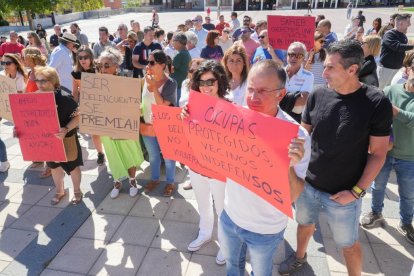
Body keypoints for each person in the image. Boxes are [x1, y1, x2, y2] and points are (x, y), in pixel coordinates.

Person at [279, 40, 393, 276]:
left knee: (348, 245)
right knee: (304, 224)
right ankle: (300, 257)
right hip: (308, 185)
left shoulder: (376, 102)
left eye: (330, 67)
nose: (324, 72)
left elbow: (379, 153)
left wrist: (357, 192)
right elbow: (304, 135)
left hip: (345, 194)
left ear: (352, 70)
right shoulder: (318, 95)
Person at [219, 59, 311, 276]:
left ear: (281, 94)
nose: (253, 97)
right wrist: (189, 115)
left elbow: (293, 196)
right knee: (232, 267)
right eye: (250, 88)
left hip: (265, 229)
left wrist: (287, 167)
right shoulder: (233, 118)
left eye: (262, 91)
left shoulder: (297, 137)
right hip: (230, 216)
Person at [360, 53, 414, 244]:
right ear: (408, 70)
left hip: (409, 155)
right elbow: (378, 116)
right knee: (378, 185)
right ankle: (376, 212)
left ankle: (406, 222)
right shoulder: (391, 90)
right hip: (385, 151)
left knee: (408, 194)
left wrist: (394, 110)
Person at [181, 60, 230, 266]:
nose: (206, 86)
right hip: (197, 166)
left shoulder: (230, 106)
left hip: (220, 169)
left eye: (211, 81)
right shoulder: (192, 104)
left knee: (222, 207)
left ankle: (226, 244)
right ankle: (205, 233)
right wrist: (184, 117)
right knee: (202, 203)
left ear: (219, 81)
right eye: (201, 82)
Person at [30, 66, 83, 205]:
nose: (39, 84)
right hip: (48, 140)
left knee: (72, 166)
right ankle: (60, 191)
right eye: (37, 80)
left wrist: (65, 128)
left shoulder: (66, 98)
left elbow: (79, 117)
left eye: (43, 81)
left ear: (54, 82)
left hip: (67, 137)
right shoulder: (35, 97)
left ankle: (77, 191)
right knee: (54, 166)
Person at [96, 48, 144, 199]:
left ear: (116, 66)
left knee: (129, 153)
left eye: (106, 65)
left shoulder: (126, 82)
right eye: (100, 65)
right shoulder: (96, 84)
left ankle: (132, 182)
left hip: (123, 126)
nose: (103, 69)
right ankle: (117, 182)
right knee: (113, 155)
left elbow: (136, 107)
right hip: (107, 127)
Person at [140, 50, 177, 197]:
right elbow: (144, 102)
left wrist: (154, 86)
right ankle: (155, 179)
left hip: (165, 128)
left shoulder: (170, 83)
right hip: (148, 126)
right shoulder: (145, 79)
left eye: (151, 62)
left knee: (168, 157)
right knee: (153, 156)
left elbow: (162, 106)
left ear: (162, 65)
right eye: (147, 62)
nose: (148, 65)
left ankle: (170, 182)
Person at [378, 13, 414, 90]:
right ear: (401, 23)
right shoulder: (389, 34)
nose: (410, 24)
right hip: (387, 69)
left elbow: (403, 50)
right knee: (381, 90)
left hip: (398, 68)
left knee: (393, 90)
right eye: (408, 22)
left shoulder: (403, 35)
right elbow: (397, 47)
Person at [284, 42, 314, 122]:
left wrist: (279, 96)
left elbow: (302, 101)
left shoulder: (308, 76)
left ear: (304, 58)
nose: (294, 58)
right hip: (276, 115)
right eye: (291, 54)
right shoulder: (278, 72)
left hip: (294, 118)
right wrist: (295, 97)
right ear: (287, 56)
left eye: (298, 55)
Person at [171, 32, 191, 105]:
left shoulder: (181, 54)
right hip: (180, 84)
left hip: (177, 86)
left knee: (176, 108)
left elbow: (171, 69)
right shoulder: (185, 53)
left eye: (173, 41)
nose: (172, 42)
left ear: (178, 42)